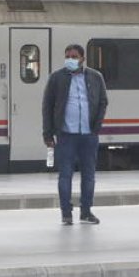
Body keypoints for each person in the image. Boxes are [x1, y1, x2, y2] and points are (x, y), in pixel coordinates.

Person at [42, 44, 108, 226]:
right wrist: (48, 133)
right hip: (66, 135)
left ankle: (86, 212)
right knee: (65, 175)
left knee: (89, 175)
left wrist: (97, 126)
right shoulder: (57, 78)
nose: (70, 59)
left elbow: (103, 101)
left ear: (82, 59)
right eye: (68, 56)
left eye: (74, 56)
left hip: (89, 134)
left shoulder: (95, 77)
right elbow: (47, 106)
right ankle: (66, 213)